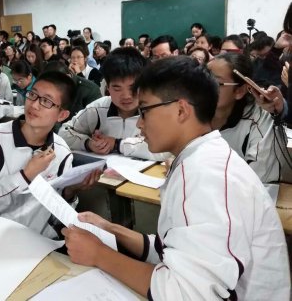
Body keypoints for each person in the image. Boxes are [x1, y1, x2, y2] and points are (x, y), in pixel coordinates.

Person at [63, 56, 290, 300]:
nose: (139, 124)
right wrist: (110, 229)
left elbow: (184, 293)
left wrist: (99, 254)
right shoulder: (194, 159)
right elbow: (171, 250)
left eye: (145, 111)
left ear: (181, 110)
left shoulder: (208, 175)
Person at [0, 71, 101, 238]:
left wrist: (69, 192)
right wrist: (25, 175)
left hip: (37, 243)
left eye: (46, 101)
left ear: (62, 115)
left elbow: (57, 219)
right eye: (32, 95)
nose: (34, 105)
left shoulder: (62, 152)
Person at [59, 48, 165, 160]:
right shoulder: (98, 108)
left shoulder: (155, 109)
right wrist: (88, 143)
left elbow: (166, 147)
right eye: (117, 88)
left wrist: (117, 144)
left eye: (133, 87)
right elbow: (64, 132)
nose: (126, 96)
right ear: (107, 87)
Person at [208, 53, 286, 183]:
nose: (203, 87)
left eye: (215, 82)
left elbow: (257, 179)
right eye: (203, 78)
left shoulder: (260, 118)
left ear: (239, 91)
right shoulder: (193, 110)